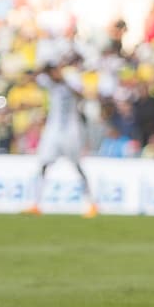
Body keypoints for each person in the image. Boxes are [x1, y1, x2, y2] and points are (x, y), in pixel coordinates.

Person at [24, 58, 99, 218]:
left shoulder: (70, 80)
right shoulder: (49, 83)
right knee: (44, 165)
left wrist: (64, 80)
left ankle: (91, 203)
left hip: (71, 131)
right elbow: (33, 76)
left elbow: (81, 94)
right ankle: (36, 204)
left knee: (77, 166)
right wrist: (45, 69)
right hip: (53, 130)